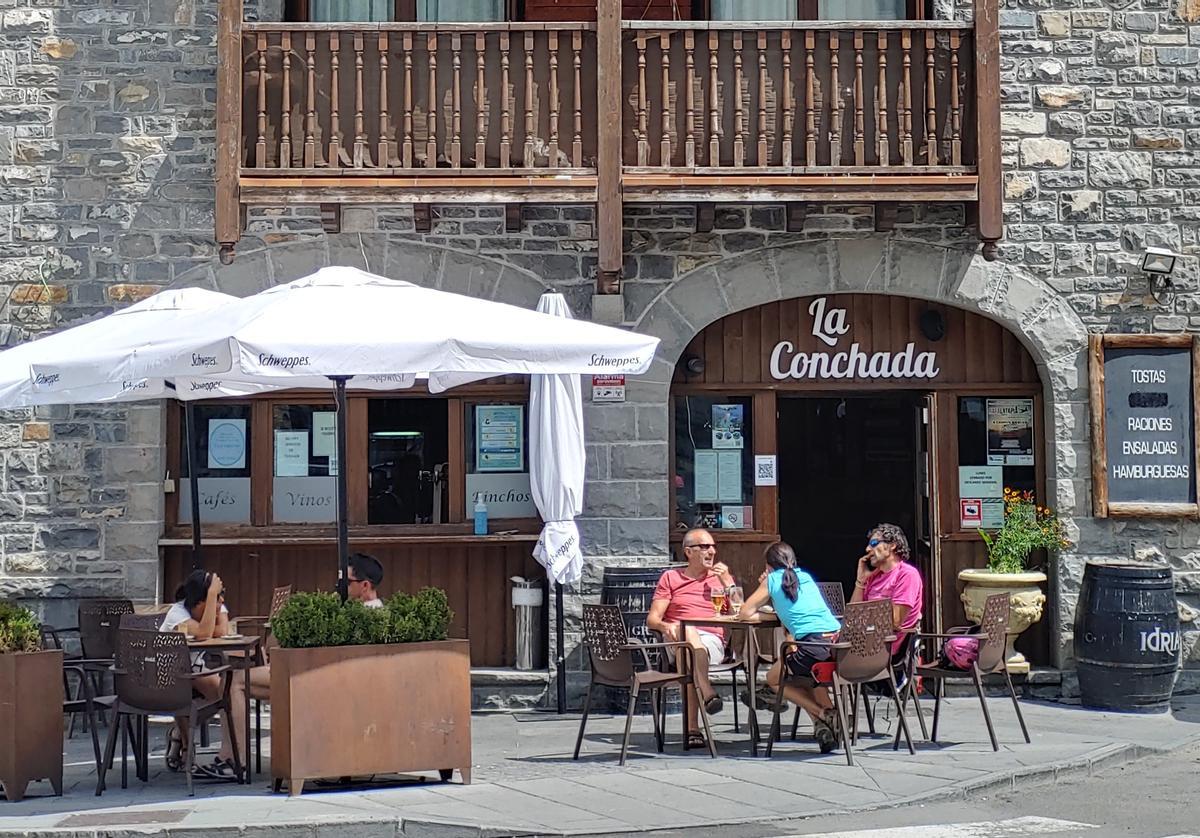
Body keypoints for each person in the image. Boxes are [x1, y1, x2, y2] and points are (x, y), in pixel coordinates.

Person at [225, 552, 389, 771]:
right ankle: (232, 758)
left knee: (235, 680)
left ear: (365, 585)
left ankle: (235, 760)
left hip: (317, 680)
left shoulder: (358, 616)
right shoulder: (374, 612)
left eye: (345, 583)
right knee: (236, 681)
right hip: (324, 679)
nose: (338, 588)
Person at [738, 541, 843, 753]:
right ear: (793, 561)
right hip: (837, 643)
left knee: (774, 678)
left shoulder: (771, 581)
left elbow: (744, 613)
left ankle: (824, 714)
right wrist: (778, 610)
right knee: (807, 678)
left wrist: (768, 595)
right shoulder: (805, 577)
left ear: (768, 566)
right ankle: (826, 728)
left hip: (811, 645)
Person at [646, 528, 735, 748]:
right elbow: (653, 620)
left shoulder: (719, 580)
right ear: (688, 551)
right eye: (704, 547)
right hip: (676, 638)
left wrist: (728, 582)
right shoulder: (671, 578)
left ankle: (693, 729)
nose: (712, 551)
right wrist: (668, 627)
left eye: (713, 546)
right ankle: (707, 692)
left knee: (689, 652)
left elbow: (740, 611)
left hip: (711, 641)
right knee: (686, 631)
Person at [159, 569, 240, 779]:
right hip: (165, 676)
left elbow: (221, 632)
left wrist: (215, 601)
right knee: (188, 688)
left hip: (193, 670)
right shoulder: (177, 614)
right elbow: (204, 633)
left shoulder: (213, 606)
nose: (221, 600)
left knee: (223, 695)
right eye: (215, 596)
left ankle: (225, 754)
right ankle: (185, 745)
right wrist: (212, 596)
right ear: (198, 601)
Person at [850, 522, 924, 688]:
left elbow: (895, 621)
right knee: (811, 654)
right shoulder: (874, 578)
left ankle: (825, 710)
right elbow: (853, 614)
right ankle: (824, 711)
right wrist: (860, 581)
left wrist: (864, 620)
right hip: (863, 642)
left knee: (816, 656)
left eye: (874, 543)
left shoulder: (907, 575)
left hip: (885, 649)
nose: (868, 550)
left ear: (892, 546)